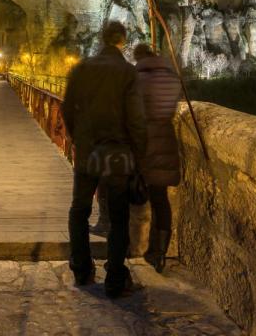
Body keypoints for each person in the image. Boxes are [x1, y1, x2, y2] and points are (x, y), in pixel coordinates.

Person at [63, 21, 147, 298]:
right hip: (118, 152)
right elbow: (136, 118)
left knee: (79, 209)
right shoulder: (128, 72)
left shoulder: (82, 68)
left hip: (88, 150)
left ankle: (81, 268)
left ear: (102, 39)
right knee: (118, 216)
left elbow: (67, 109)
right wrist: (140, 153)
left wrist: (78, 138)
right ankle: (114, 277)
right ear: (122, 41)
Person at [132, 43, 183, 273]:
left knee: (133, 191)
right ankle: (159, 252)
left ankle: (129, 248)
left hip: (144, 142)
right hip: (166, 140)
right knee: (160, 199)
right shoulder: (171, 78)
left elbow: (133, 111)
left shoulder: (137, 79)